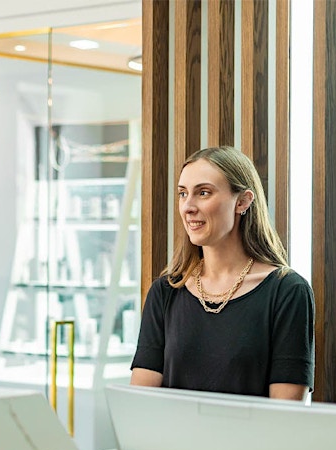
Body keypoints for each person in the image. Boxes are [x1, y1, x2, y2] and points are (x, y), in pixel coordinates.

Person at [130, 146, 314, 399]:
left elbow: (285, 415)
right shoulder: (165, 291)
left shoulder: (288, 291)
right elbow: (141, 404)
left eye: (203, 193)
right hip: (170, 439)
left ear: (243, 201)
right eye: (183, 194)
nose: (188, 207)